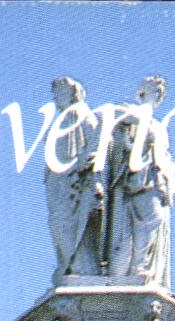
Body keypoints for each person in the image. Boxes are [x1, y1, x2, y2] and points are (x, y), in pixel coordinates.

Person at [106, 76, 174, 287]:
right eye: (156, 90)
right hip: (136, 181)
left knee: (153, 222)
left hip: (155, 181)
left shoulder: (158, 125)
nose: (159, 95)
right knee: (140, 224)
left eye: (161, 92)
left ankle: (141, 268)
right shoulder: (130, 112)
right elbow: (114, 116)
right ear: (143, 92)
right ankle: (134, 270)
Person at [44, 77, 103, 282]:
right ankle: (71, 265)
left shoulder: (80, 112)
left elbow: (97, 138)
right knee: (58, 223)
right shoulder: (64, 118)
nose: (55, 97)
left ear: (72, 93)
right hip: (59, 182)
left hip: (73, 182)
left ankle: (80, 268)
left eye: (59, 92)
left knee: (69, 223)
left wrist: (85, 165)